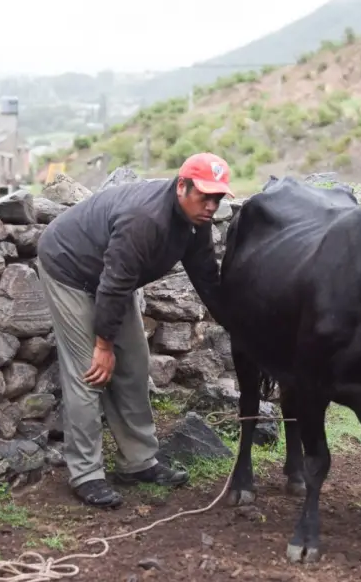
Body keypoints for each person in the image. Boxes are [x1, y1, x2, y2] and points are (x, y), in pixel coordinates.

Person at [36, 152, 234, 509]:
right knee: (90, 372)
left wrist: (235, 322)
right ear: (181, 186)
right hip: (70, 268)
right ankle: (86, 474)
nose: (211, 205)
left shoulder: (195, 221)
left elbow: (206, 276)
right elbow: (112, 285)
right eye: (204, 195)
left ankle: (137, 462)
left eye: (217, 198)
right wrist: (103, 345)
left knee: (135, 365)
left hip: (111, 280)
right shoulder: (145, 220)